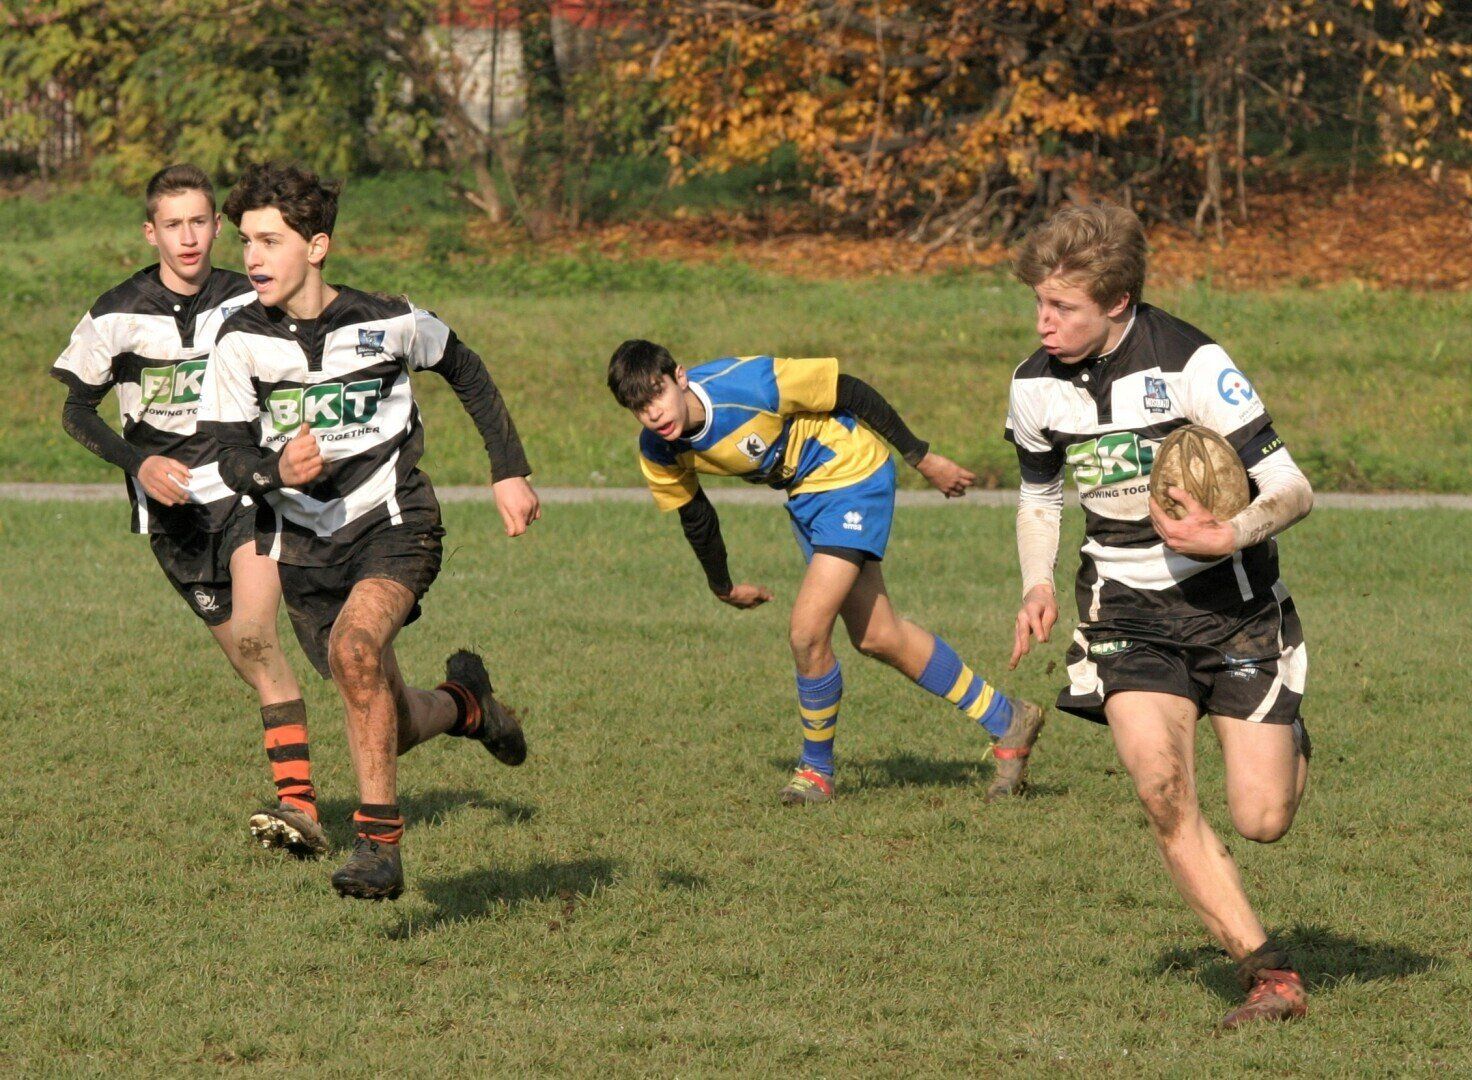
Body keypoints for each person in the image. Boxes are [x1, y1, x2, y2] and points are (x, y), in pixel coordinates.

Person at [1004, 201, 1316, 1028]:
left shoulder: (1191, 362)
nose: (1042, 323)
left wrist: (1229, 531)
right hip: (1124, 612)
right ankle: (1268, 976)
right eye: (1038, 303)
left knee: (1263, 819)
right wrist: (1037, 584)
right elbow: (1039, 494)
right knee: (1162, 788)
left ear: (1116, 303)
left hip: (1233, 610)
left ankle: (1285, 734)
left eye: (1060, 307)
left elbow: (1293, 487)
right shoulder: (1034, 386)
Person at [201, 161, 540, 900]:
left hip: (394, 524)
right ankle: (467, 705)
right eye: (246, 242)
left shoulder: (388, 321)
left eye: (269, 240)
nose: (252, 258)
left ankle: (378, 848)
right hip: (305, 553)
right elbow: (225, 456)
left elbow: (468, 369)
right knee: (382, 705)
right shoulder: (236, 342)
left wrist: (508, 470)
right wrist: (273, 470)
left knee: (357, 651)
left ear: (316, 246)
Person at [608, 339, 1045, 804]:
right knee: (878, 635)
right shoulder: (658, 449)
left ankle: (816, 771)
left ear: (680, 376)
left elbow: (849, 390)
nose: (652, 413)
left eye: (656, 394)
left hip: (852, 475)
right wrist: (723, 585)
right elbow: (695, 514)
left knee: (806, 632)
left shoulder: (751, 384)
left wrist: (921, 457)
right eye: (637, 407)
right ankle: (1008, 718)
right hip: (807, 496)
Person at [49, 163, 324, 856]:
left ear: (217, 226)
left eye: (200, 221)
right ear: (152, 232)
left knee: (260, 636)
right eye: (173, 225)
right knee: (254, 664)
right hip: (171, 521)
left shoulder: (252, 300)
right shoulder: (116, 312)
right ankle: (454, 710)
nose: (189, 236)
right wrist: (136, 461)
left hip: (245, 495)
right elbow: (75, 410)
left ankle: (299, 807)